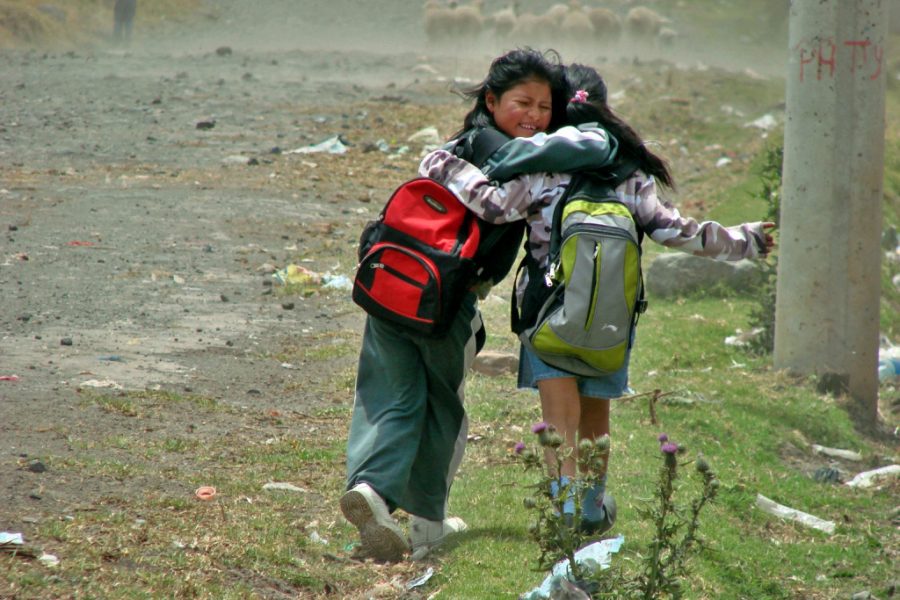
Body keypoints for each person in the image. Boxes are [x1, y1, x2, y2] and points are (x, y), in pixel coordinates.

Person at [419, 62, 775, 536]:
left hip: (546, 312)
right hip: (611, 319)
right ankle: (591, 505)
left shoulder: (543, 168)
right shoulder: (631, 176)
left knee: (558, 416)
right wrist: (743, 240)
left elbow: (493, 205)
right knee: (595, 415)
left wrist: (442, 164)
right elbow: (678, 232)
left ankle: (562, 506)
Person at [341, 49, 618, 562]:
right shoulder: (527, 166)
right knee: (442, 409)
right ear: (492, 100)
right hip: (447, 305)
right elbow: (504, 207)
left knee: (386, 398)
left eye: (544, 107)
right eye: (523, 103)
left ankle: (372, 492)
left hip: (389, 285)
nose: (534, 117)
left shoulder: (454, 146)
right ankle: (427, 525)